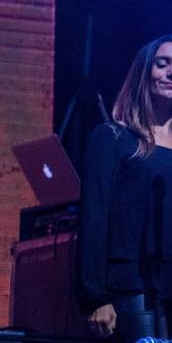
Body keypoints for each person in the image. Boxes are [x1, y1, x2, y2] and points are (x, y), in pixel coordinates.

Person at [79, 35, 172, 341]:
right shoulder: (113, 138)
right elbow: (94, 217)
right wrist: (95, 296)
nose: (171, 72)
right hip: (133, 290)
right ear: (145, 72)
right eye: (163, 64)